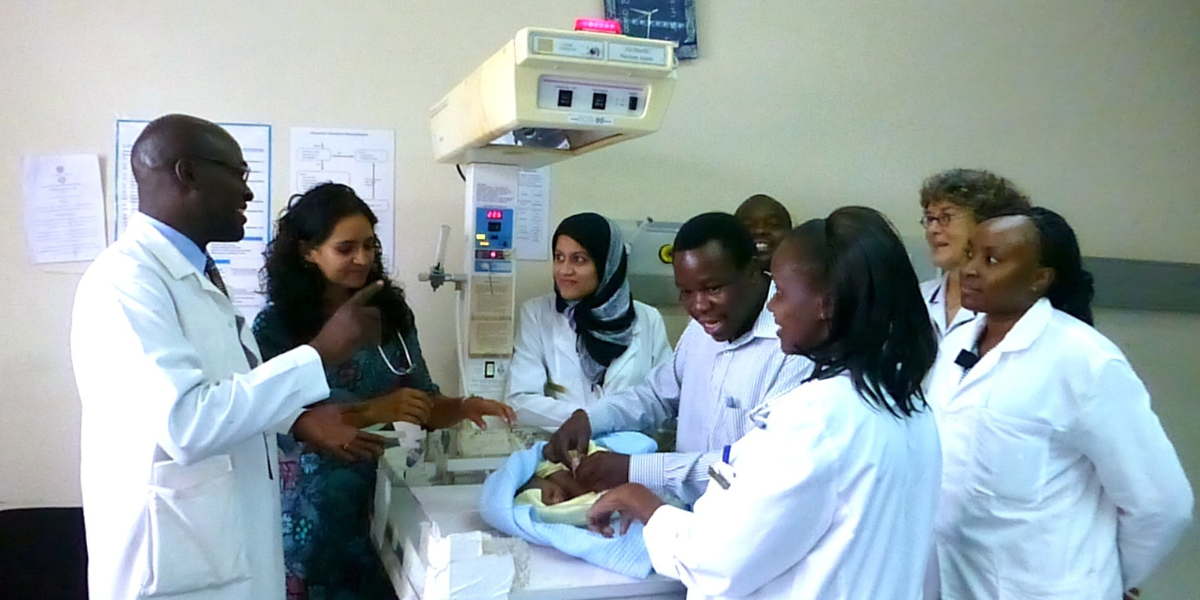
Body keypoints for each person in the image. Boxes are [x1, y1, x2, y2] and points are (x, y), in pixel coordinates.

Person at [71, 115, 386, 600]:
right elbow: (186, 423)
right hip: (172, 566)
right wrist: (319, 352)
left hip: (223, 550)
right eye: (238, 175)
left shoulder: (194, 276)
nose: (248, 194)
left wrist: (296, 419)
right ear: (187, 174)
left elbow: (228, 390)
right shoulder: (125, 282)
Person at [586, 206, 942, 600]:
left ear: (826, 303)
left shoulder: (814, 418)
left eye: (783, 294)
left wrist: (645, 504)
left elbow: (717, 562)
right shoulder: (909, 405)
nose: (773, 307)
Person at [253, 182, 516, 600]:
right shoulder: (277, 327)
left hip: (386, 501)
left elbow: (420, 401)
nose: (363, 259)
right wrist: (377, 409)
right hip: (313, 513)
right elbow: (274, 423)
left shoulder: (390, 314)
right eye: (346, 248)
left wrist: (463, 407)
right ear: (308, 251)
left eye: (370, 246)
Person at [926, 208, 1193, 600]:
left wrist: (1108, 576)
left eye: (992, 260)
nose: (970, 270)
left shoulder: (1085, 361)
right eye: (970, 255)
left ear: (1040, 278)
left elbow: (1161, 504)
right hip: (954, 583)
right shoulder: (956, 345)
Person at [545, 212, 812, 504]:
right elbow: (657, 395)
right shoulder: (703, 329)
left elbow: (754, 467)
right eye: (686, 291)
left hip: (747, 520)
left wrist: (636, 470)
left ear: (751, 272)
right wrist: (589, 418)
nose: (698, 306)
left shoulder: (793, 348)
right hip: (688, 515)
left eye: (713, 289)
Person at [505, 213, 672, 430]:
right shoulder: (537, 314)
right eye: (559, 257)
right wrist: (590, 420)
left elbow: (666, 400)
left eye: (579, 259)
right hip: (565, 455)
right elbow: (520, 402)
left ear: (606, 264)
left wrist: (603, 422)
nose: (564, 270)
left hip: (630, 457)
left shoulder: (648, 319)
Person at [918, 169, 1030, 338]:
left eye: (945, 217)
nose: (933, 229)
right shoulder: (917, 296)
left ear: (986, 224)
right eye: (930, 218)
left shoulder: (1009, 308)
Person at [734, 194, 792, 272]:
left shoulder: (806, 281)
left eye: (773, 224)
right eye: (748, 225)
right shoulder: (721, 279)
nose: (760, 230)